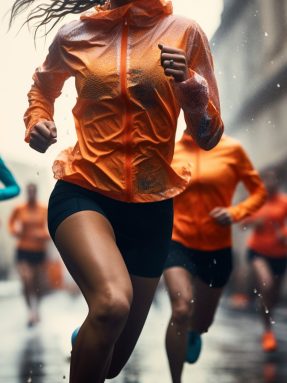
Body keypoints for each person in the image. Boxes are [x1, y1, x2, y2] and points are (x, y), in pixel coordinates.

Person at [10, 0, 224, 381]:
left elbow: (207, 136)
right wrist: (37, 122)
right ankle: (97, 328)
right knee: (111, 304)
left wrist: (190, 86)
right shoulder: (75, 35)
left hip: (151, 209)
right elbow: (42, 89)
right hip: (84, 191)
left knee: (111, 364)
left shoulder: (185, 32)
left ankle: (86, 338)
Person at [164, 133, 266, 383]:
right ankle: (176, 380)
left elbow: (258, 192)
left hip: (217, 247)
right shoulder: (170, 151)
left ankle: (195, 331)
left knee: (201, 322)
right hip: (177, 240)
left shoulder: (233, 149)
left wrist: (235, 212)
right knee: (181, 308)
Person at [244, 169, 287, 353]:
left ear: (277, 182)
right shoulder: (256, 200)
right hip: (258, 251)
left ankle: (267, 326)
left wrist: (284, 234)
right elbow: (242, 223)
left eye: (273, 179)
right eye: (266, 180)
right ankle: (267, 329)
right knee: (267, 284)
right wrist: (255, 222)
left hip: (280, 255)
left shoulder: (284, 202)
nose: (270, 183)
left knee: (274, 296)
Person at [9, 183, 49, 326]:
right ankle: (30, 312)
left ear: (36, 192)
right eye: (29, 191)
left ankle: (37, 308)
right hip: (23, 250)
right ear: (27, 192)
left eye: (34, 191)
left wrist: (43, 234)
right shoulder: (19, 209)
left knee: (38, 283)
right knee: (27, 280)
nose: (31, 193)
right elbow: (11, 223)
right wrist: (15, 231)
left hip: (39, 250)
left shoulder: (44, 209)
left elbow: (50, 227)